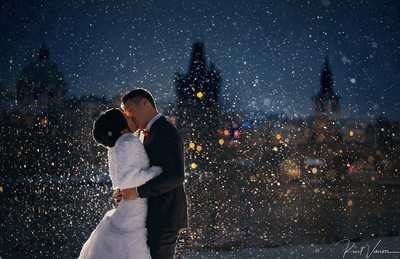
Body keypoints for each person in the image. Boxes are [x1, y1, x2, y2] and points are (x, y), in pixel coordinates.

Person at [79, 108, 162, 259]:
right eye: (126, 116)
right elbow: (128, 180)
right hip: (136, 210)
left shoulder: (116, 145)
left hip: (131, 206)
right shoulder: (128, 141)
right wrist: (156, 172)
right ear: (121, 126)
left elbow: (118, 180)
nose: (130, 117)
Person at [115, 88, 188, 259]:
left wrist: (138, 192)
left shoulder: (165, 131)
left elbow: (176, 176)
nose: (129, 118)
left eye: (130, 112)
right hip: (157, 214)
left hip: (165, 215)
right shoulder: (147, 133)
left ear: (145, 103)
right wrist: (126, 191)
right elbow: (145, 172)